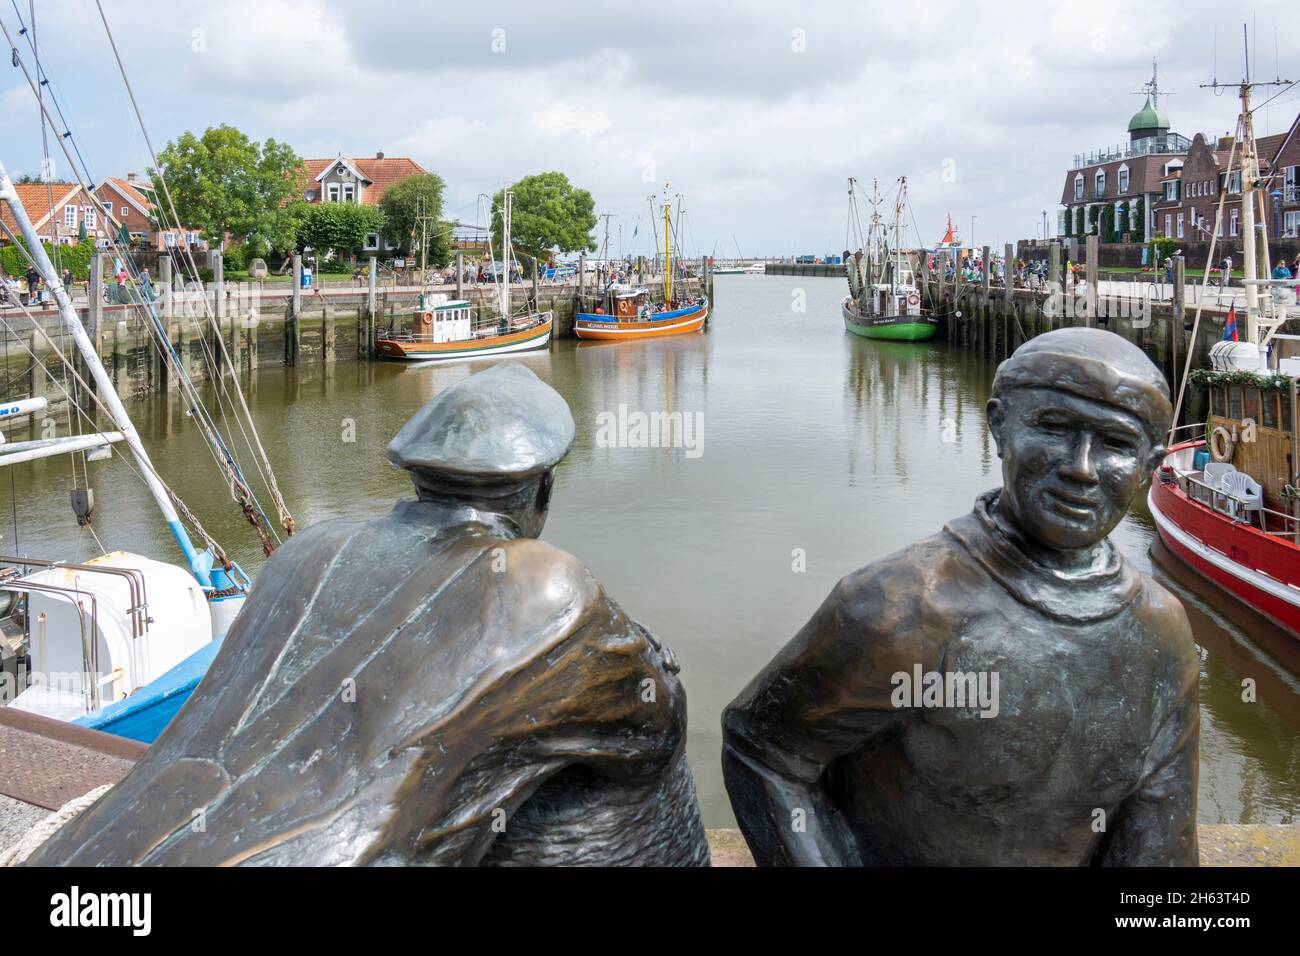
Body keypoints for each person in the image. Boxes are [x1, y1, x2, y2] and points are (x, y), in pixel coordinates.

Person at [27, 363, 709, 867]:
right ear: (542, 491)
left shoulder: (310, 548)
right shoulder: (542, 585)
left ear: (416, 475)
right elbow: (655, 713)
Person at [723, 328, 1198, 866]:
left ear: (1151, 462)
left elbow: (1159, 841)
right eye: (1055, 428)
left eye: (1114, 444)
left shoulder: (1161, 633)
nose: (1080, 468)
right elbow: (764, 751)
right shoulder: (902, 607)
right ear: (1000, 426)